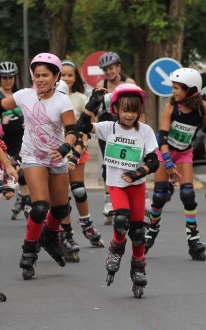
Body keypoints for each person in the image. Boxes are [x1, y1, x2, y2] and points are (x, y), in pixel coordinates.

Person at [0, 53, 81, 280]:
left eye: (46, 75)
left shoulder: (62, 100)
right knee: (39, 206)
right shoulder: (24, 95)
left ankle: (50, 235)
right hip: (33, 157)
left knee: (61, 208)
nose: (41, 79)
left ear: (56, 76)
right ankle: (29, 251)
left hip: (57, 157)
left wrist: (66, 148)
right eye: (37, 75)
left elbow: (72, 130)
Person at [77, 84, 159, 298]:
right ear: (116, 109)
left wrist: (137, 173)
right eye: (125, 110)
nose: (129, 115)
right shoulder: (109, 127)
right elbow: (83, 126)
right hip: (116, 184)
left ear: (139, 111)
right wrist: (91, 105)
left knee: (139, 232)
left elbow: (153, 160)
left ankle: (138, 265)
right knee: (121, 220)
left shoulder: (145, 131)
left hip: (136, 185)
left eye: (133, 110)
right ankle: (116, 249)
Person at [145, 68, 206, 261]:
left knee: (188, 194)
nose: (173, 91)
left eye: (177, 88)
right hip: (165, 153)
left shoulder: (201, 108)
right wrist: (168, 161)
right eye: (173, 87)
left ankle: (193, 240)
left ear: (191, 89)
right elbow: (161, 135)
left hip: (184, 154)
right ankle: (152, 230)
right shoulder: (171, 106)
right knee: (160, 196)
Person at [58, 61, 104, 263]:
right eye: (62, 75)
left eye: (70, 75)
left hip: (76, 148)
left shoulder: (80, 98)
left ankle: (87, 225)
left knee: (78, 190)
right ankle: (64, 233)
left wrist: (83, 143)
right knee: (61, 195)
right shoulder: (50, 98)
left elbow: (87, 124)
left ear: (75, 77)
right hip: (56, 151)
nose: (66, 79)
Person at [96, 52, 136, 225]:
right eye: (105, 70)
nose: (109, 72)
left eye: (111, 68)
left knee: (127, 163)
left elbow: (137, 106)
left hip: (125, 128)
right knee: (109, 164)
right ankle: (109, 201)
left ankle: (132, 199)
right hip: (107, 128)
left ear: (119, 67)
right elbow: (94, 108)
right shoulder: (101, 84)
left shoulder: (129, 83)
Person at [0, 61, 31, 221]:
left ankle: (27, 205)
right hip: (4, 143)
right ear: (0, 78)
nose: (8, 80)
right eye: (4, 77)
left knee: (23, 175)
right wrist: (1, 123)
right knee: (7, 176)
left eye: (11, 77)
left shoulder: (20, 94)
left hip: (21, 141)